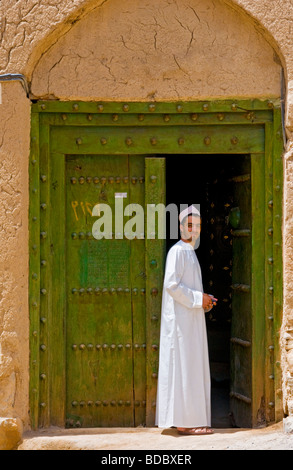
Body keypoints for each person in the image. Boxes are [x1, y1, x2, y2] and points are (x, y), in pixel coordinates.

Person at [155, 205, 216, 435]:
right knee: (183, 367)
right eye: (190, 225)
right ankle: (185, 423)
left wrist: (205, 300)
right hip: (181, 323)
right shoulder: (178, 251)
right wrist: (198, 298)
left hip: (190, 320)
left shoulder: (189, 252)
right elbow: (171, 285)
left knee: (190, 367)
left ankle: (190, 420)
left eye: (198, 226)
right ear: (181, 227)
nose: (195, 230)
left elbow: (190, 288)